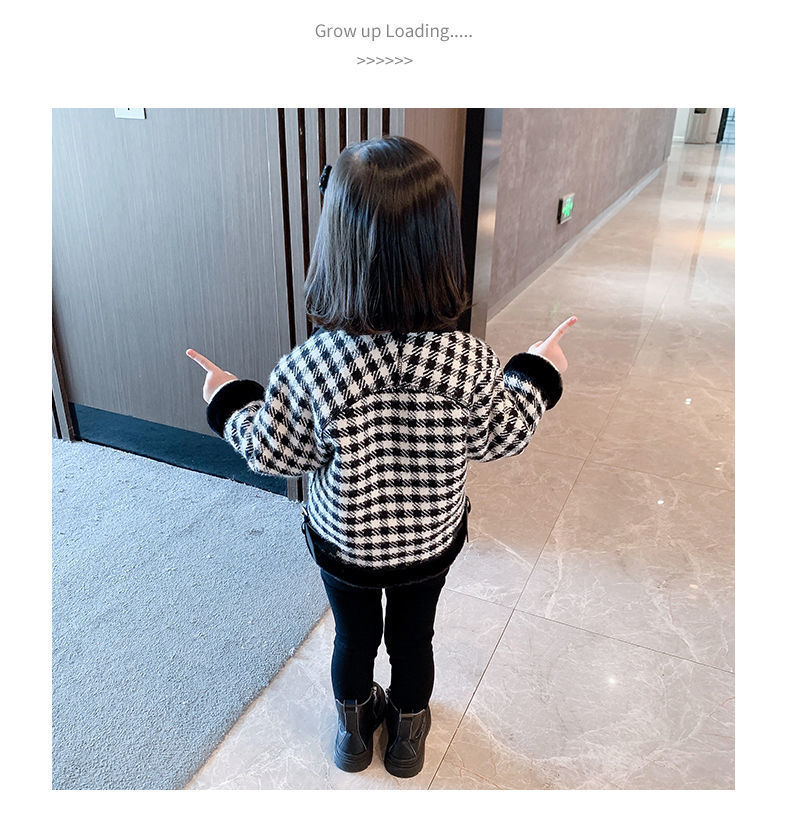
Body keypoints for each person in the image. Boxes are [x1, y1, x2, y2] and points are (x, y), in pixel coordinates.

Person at [186, 135, 576, 779]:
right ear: (440, 246)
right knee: (414, 639)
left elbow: (274, 450)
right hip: (429, 541)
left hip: (345, 543)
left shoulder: (311, 366)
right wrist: (539, 368)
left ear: (335, 246)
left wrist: (228, 397)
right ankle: (407, 739)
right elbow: (501, 434)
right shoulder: (467, 361)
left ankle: (352, 735)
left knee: (352, 638)